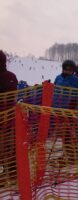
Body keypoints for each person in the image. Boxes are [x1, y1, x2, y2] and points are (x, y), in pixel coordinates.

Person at [0, 50, 18, 188]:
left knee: (8, 147)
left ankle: (12, 175)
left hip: (7, 118)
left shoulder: (9, 77)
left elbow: (10, 99)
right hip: (7, 118)